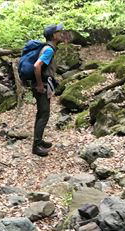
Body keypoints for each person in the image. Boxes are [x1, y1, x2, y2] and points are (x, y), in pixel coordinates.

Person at [31, 24, 71, 157]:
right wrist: (40, 85)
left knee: (41, 113)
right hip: (41, 86)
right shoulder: (49, 50)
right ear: (53, 35)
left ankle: (39, 141)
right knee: (44, 114)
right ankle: (36, 146)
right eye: (59, 32)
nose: (61, 33)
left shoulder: (48, 48)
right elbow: (37, 66)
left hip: (42, 84)